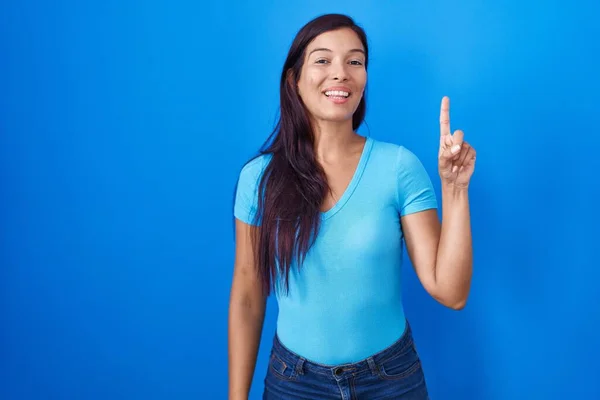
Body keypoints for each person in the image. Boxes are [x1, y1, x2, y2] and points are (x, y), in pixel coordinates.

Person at [228, 13, 476, 400]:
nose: (340, 73)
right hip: (294, 383)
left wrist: (455, 189)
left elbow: (451, 292)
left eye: (355, 61)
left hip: (390, 380)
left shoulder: (398, 167)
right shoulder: (259, 178)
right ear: (294, 79)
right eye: (323, 60)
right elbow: (247, 291)